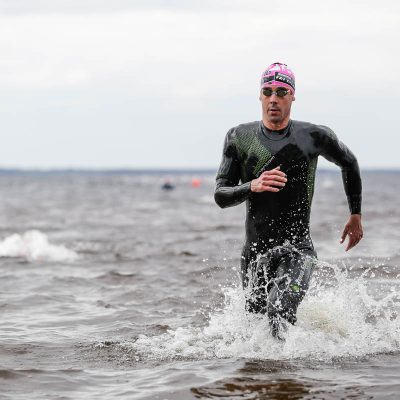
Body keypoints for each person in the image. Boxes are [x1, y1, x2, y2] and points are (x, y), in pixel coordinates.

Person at [214, 62, 363, 339]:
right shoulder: (239, 137)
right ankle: (272, 380)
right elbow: (221, 195)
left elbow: (349, 162)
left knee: (279, 309)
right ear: (260, 95)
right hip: (255, 254)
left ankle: (291, 378)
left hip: (298, 250)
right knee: (255, 332)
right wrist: (252, 186)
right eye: (267, 91)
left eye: (281, 92)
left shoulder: (314, 136)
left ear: (292, 96)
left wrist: (355, 214)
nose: (274, 98)